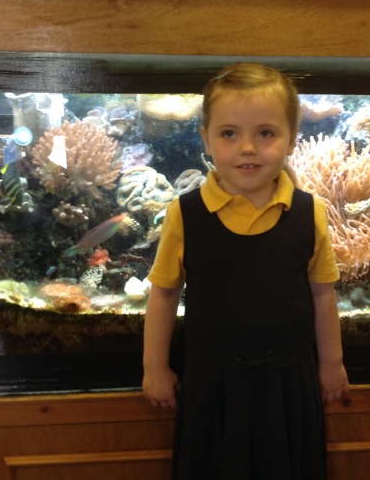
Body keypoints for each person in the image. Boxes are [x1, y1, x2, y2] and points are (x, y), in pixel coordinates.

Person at [142, 62, 349, 480]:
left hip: (290, 382)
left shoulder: (310, 212)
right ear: (206, 138)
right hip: (210, 384)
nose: (248, 148)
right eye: (229, 134)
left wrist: (332, 363)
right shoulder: (184, 213)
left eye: (266, 133)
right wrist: (154, 368)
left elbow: (322, 293)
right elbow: (163, 294)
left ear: (292, 137)